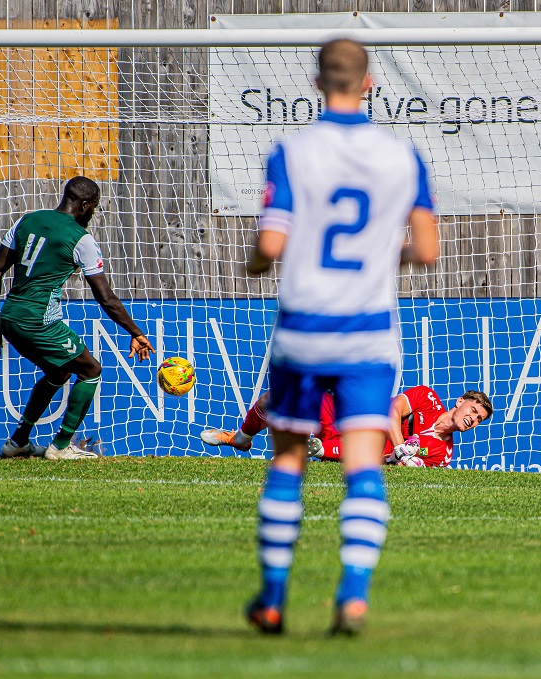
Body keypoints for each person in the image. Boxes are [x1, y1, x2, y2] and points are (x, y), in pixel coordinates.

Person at [243, 39, 439, 636]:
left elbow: (271, 246)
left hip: (303, 327)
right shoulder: (403, 157)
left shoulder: (292, 152)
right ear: (370, 82)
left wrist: (254, 263)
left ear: (315, 81)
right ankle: (352, 595)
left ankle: (273, 598)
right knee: (363, 465)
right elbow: (427, 250)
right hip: (368, 334)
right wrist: (381, 254)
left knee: (288, 461)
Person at [0, 176, 155, 460]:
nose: (93, 214)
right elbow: (105, 297)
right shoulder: (80, 238)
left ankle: (18, 442)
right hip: (39, 320)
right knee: (91, 370)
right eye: (94, 208)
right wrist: (135, 332)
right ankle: (60, 446)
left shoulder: (27, 220)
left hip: (10, 317)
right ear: (85, 205)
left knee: (58, 372)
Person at [199, 386, 494, 467]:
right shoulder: (429, 399)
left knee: (378, 448)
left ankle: (311, 450)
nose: (473, 418)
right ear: (460, 402)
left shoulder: (444, 454)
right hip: (351, 413)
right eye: (473, 409)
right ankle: (240, 438)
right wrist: (404, 448)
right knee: (272, 398)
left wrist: (401, 458)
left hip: (361, 446)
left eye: (479, 419)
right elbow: (393, 410)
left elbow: (403, 469)